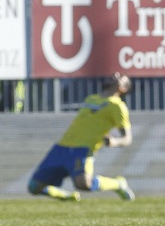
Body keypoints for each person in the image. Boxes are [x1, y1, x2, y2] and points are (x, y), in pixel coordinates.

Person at [27, 73, 136, 202]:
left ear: (123, 88)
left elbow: (127, 138)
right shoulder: (91, 99)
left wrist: (114, 141)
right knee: (33, 187)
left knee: (84, 184)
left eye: (121, 77)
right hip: (62, 147)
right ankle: (67, 197)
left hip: (83, 149)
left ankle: (118, 184)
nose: (116, 75)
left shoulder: (117, 106)